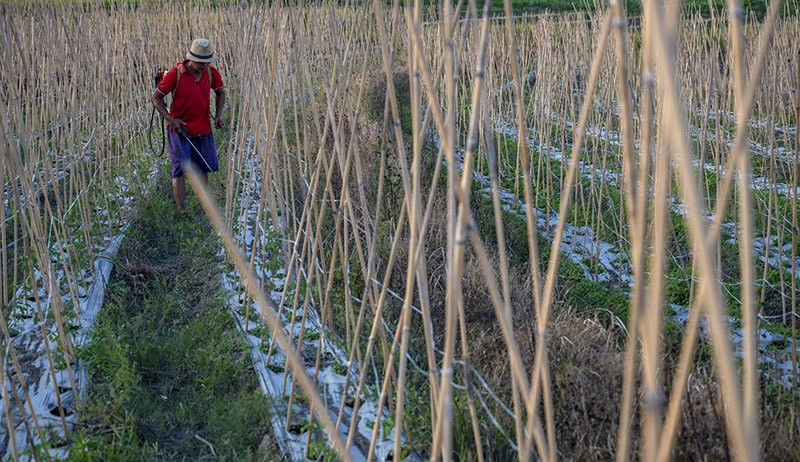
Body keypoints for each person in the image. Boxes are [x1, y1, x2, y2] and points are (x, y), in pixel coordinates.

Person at [151, 38, 226, 212]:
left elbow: (221, 92)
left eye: (207, 62)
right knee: (180, 171)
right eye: (200, 62)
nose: (204, 66)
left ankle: (203, 207)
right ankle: (182, 210)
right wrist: (170, 119)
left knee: (203, 169)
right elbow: (156, 97)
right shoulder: (175, 74)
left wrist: (218, 115)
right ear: (191, 58)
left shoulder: (211, 73)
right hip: (180, 132)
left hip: (204, 129)